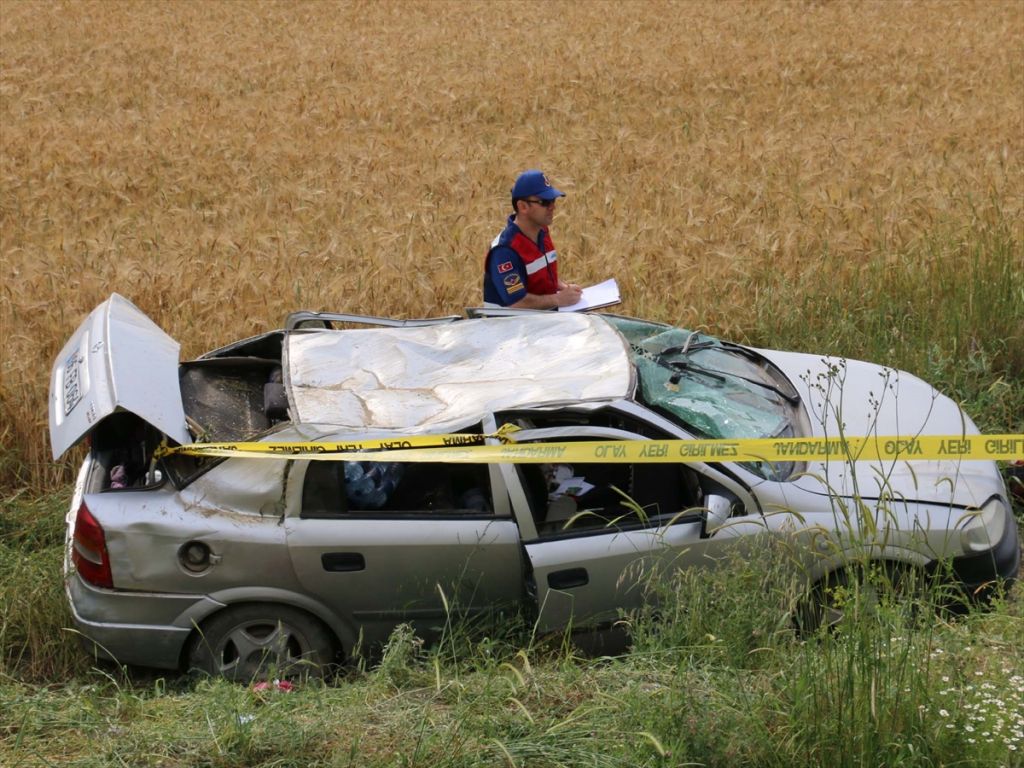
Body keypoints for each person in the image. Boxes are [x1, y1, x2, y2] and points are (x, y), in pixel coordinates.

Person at [483, 169, 583, 309]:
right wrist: (558, 299)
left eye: (553, 200)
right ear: (523, 207)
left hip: (538, 322)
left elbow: (539, 274)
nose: (553, 207)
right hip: (509, 327)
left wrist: (563, 287)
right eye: (545, 202)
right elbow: (517, 302)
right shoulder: (504, 251)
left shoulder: (541, 231)